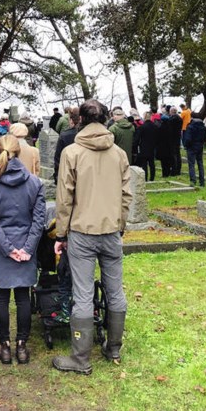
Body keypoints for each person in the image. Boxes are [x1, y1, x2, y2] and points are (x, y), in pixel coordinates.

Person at [53, 99, 131, 375]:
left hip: (82, 232)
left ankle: (81, 357)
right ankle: (114, 347)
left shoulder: (72, 152)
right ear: (107, 118)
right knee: (115, 290)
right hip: (111, 230)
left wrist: (60, 233)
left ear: (80, 120)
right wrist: (120, 224)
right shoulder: (119, 153)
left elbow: (64, 198)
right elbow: (126, 195)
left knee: (83, 294)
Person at [0, 135, 46, 365]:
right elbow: (39, 221)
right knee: (22, 298)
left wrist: (8, 249)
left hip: (2, 246)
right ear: (20, 152)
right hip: (24, 243)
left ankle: (5, 347)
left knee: (1, 297)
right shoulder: (35, 183)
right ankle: (22, 346)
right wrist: (26, 248)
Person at [53, 107, 80, 183]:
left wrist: (57, 175)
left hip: (67, 172)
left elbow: (58, 158)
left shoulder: (64, 135)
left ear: (71, 121)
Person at [182, 112, 206, 187]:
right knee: (200, 163)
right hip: (200, 146)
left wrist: (186, 145)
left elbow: (188, 138)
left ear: (191, 117)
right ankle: (202, 181)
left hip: (191, 147)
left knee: (191, 164)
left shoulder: (190, 126)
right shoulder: (203, 126)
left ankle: (193, 180)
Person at [133, 112, 159, 181]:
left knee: (144, 164)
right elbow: (158, 137)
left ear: (144, 117)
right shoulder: (155, 127)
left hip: (143, 147)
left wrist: (135, 146)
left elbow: (137, 139)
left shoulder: (142, 127)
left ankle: (145, 178)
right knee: (152, 164)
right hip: (152, 147)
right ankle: (152, 178)